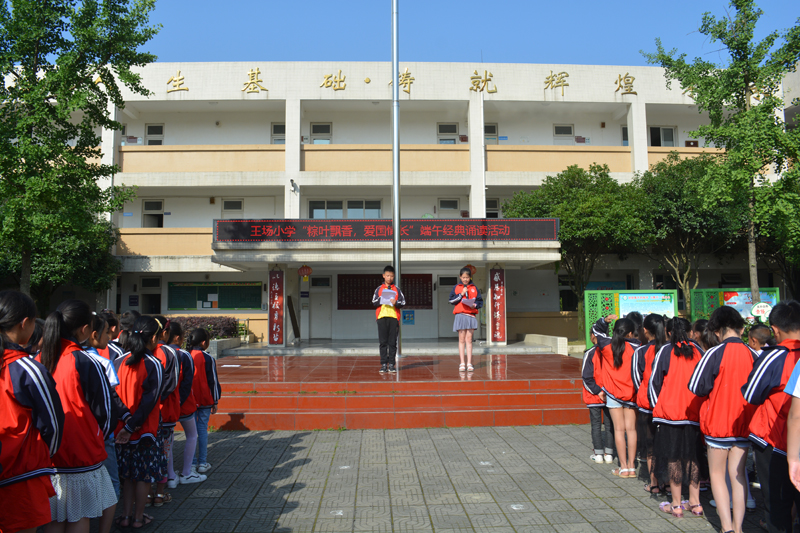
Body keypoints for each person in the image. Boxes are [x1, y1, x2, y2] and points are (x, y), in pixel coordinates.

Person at [39, 300, 120, 533]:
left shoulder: (38, 360)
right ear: (85, 330)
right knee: (79, 515)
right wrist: (93, 436)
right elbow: (105, 413)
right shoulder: (87, 361)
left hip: (47, 454)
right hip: (81, 452)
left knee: (54, 516)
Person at [0, 291, 64, 533]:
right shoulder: (26, 368)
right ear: (25, 323)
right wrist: (44, 454)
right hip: (21, 475)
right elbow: (53, 423)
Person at [689, 306, 757, 533]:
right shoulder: (753, 354)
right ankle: (739, 528)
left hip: (717, 425)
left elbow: (696, 387)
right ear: (741, 328)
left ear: (717, 330)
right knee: (738, 475)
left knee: (717, 475)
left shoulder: (713, 353)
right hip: (744, 424)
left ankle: (726, 527)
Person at [743, 301, 800, 533]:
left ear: (775, 329)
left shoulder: (775, 356)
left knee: (776, 506)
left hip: (775, 441)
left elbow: (750, 393)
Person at [649, 317, 706, 518]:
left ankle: (676, 504)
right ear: (690, 332)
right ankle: (695, 502)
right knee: (693, 457)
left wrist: (658, 408)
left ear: (669, 332)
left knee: (673, 457)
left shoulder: (665, 350)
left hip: (670, 414)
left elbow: (653, 383)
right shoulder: (699, 351)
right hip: (694, 413)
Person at [114, 316, 165, 530]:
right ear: (153, 338)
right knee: (143, 476)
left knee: (127, 476)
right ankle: (138, 517)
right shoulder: (153, 364)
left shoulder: (119, 360)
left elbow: (112, 396)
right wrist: (132, 425)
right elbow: (150, 402)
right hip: (144, 431)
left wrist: (125, 423)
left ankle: (125, 516)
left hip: (122, 430)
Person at [82, 313, 131, 526]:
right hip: (100, 434)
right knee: (110, 483)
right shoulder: (100, 362)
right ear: (92, 334)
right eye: (106, 332)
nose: (110, 334)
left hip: (71, 438)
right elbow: (111, 399)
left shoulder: (48, 358)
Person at [594, 315, 640, 478]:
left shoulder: (607, 345)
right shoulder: (637, 347)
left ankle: (623, 467)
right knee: (632, 430)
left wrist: (604, 321)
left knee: (619, 430)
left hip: (613, 393)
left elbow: (595, 331)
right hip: (632, 394)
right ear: (630, 333)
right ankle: (633, 467)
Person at [166, 322, 205, 485]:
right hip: (184, 404)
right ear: (177, 337)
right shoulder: (183, 354)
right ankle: (187, 472)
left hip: (166, 404)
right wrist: (180, 402)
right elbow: (187, 382)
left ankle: (170, 476)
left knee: (167, 439)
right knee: (191, 435)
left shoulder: (158, 352)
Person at [633, 313, 667, 495]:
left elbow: (636, 378)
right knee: (667, 444)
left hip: (647, 404)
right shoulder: (670, 349)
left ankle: (653, 483)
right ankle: (668, 483)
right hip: (669, 405)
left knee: (651, 444)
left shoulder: (641, 351)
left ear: (645, 330)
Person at [151, 316, 179, 506]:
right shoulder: (169, 352)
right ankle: (160, 493)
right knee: (163, 453)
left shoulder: (132, 353)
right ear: (164, 333)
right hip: (164, 412)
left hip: (142, 416)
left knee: (147, 455)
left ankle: (144, 495)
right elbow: (173, 382)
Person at [189, 328, 221, 474]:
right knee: (202, 430)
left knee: (191, 433)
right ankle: (202, 462)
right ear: (204, 342)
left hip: (189, 400)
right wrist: (215, 400)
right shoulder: (208, 359)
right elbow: (213, 381)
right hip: (205, 400)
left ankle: (191, 463)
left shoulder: (186, 356)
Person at [581, 331, 614, 464]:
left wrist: (597, 391)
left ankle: (598, 454)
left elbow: (586, 376)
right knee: (609, 424)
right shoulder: (611, 352)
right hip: (609, 394)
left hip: (594, 395)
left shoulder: (590, 353)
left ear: (592, 336)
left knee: (596, 425)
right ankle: (609, 454)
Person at [371, 265, 406, 374]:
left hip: (394, 318)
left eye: (391, 276)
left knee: (392, 342)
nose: (389, 278)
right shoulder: (379, 289)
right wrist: (381, 299)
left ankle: (391, 364)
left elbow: (403, 303)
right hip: (381, 318)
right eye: (387, 275)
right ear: (383, 276)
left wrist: (396, 303)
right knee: (383, 342)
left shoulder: (397, 289)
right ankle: (383, 365)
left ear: (394, 276)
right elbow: (373, 302)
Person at [449, 267, 484, 372]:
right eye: (463, 277)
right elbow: (451, 300)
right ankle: (462, 363)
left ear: (470, 277)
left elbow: (480, 302)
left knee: (469, 340)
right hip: (460, 315)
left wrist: (475, 305)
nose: (465, 279)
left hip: (470, 316)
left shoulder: (474, 288)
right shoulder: (456, 287)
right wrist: (461, 294)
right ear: (460, 277)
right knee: (461, 340)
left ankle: (469, 363)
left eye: (467, 277)